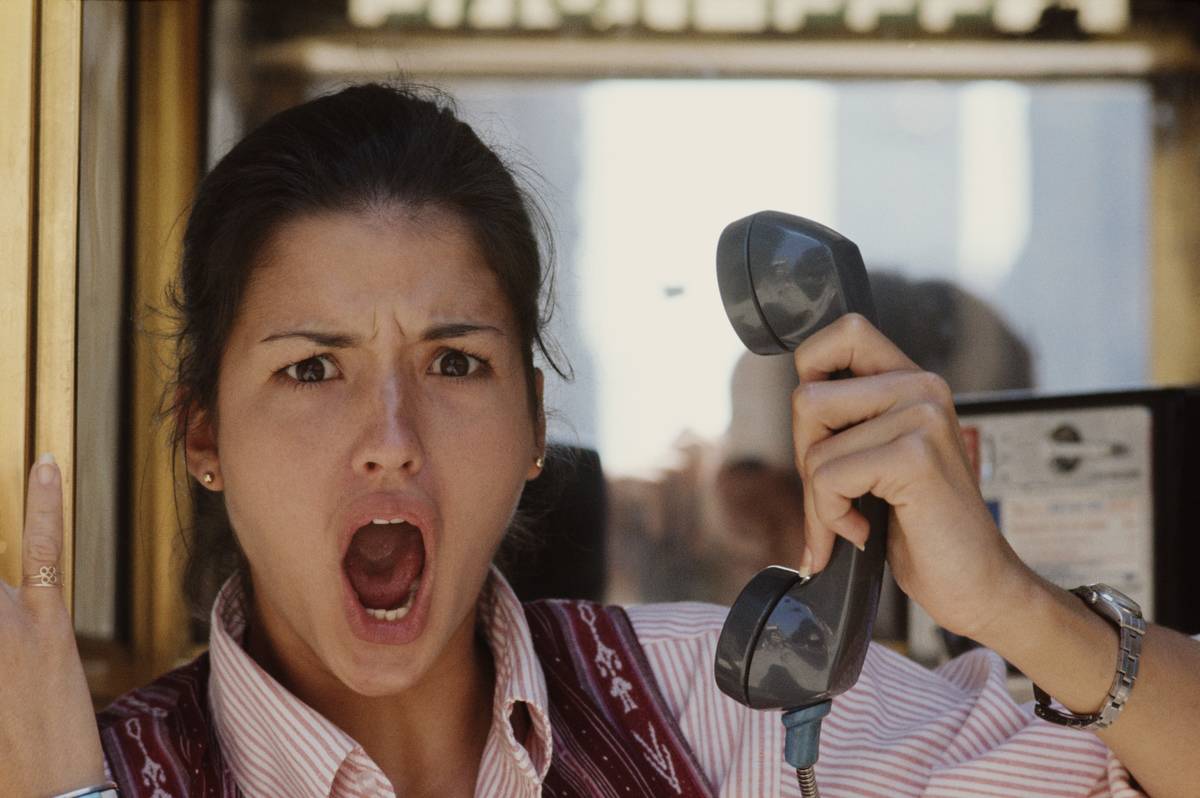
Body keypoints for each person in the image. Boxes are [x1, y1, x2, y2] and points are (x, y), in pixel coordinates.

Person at [2, 82, 1198, 798]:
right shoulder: (73, 763)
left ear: (533, 427)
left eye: (455, 363)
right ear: (201, 431)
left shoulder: (733, 718)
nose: (390, 439)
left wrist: (1010, 602)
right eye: (312, 368)